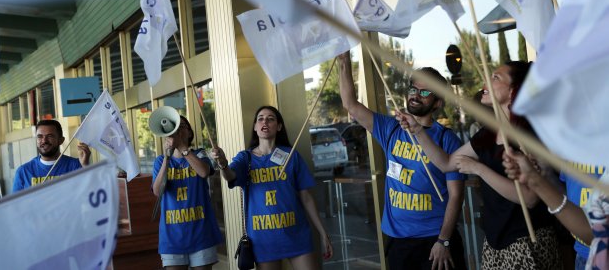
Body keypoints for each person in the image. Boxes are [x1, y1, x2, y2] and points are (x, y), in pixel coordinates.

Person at [397, 61, 562, 269]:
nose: (485, 83)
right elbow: (447, 163)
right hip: (493, 242)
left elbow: (529, 198)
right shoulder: (488, 133)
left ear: (514, 91)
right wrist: (417, 131)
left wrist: (478, 169)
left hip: (527, 241)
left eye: (495, 78)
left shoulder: (531, 134)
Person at [338, 52, 466, 270]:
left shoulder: (447, 139)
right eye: (413, 89)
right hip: (398, 241)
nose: (416, 95)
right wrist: (344, 61)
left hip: (435, 241)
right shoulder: (391, 128)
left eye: (425, 92)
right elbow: (350, 105)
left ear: (437, 103)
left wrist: (444, 240)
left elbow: (456, 195)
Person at [212, 105, 333, 270]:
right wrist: (223, 164)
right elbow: (230, 176)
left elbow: (306, 197)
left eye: (271, 119)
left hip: (296, 234)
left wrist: (322, 232)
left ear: (279, 126)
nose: (265, 122)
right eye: (260, 118)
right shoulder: (245, 158)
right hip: (263, 239)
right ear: (255, 127)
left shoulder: (291, 155)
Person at [503, 149, 604, 270]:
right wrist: (546, 175)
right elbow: (569, 197)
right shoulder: (572, 144)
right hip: (582, 254)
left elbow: (596, 235)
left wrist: (536, 181)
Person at [151, 114, 223, 270]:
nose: (176, 131)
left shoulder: (200, 154)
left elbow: (204, 172)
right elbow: (158, 191)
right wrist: (167, 158)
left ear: (189, 133)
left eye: (181, 126)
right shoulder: (160, 161)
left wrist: (183, 148)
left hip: (201, 234)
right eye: (173, 128)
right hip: (172, 236)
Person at [12, 119, 90, 192]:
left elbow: (90, 192)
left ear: (61, 140)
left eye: (50, 136)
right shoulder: (24, 171)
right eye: (40, 137)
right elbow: (15, 204)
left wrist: (85, 166)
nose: (44, 140)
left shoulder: (76, 165)